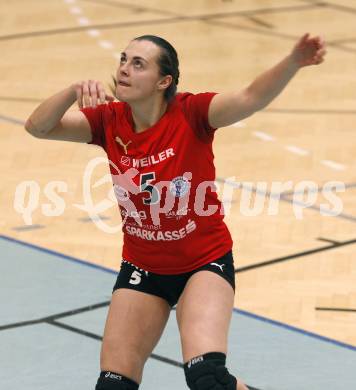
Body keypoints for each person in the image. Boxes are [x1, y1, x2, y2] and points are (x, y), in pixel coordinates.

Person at [25, 33, 326, 390]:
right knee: (112, 386)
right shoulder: (109, 120)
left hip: (203, 264)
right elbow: (38, 127)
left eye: (138, 64)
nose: (124, 69)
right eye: (123, 59)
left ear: (163, 81)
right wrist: (73, 91)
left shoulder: (191, 113)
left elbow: (250, 97)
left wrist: (293, 61)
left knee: (208, 379)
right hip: (143, 268)